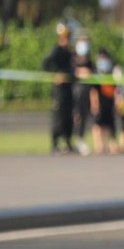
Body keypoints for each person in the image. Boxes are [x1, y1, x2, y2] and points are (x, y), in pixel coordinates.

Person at [41, 23, 75, 153]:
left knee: (68, 116)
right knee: (58, 116)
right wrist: (55, 74)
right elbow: (45, 64)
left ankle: (67, 142)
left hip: (68, 89)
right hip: (59, 91)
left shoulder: (69, 53)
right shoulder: (57, 51)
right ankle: (55, 143)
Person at [71, 34, 96, 154]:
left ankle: (80, 139)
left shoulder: (89, 61)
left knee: (84, 116)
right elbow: (72, 72)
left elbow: (92, 74)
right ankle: (72, 139)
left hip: (86, 92)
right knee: (75, 116)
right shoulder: (73, 58)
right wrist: (81, 72)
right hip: (75, 91)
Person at [93, 48, 119, 155]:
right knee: (98, 124)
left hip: (110, 102)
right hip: (100, 103)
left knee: (109, 125)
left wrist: (116, 103)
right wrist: (95, 104)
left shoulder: (112, 74)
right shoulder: (96, 75)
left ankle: (109, 145)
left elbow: (116, 90)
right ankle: (99, 146)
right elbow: (93, 91)